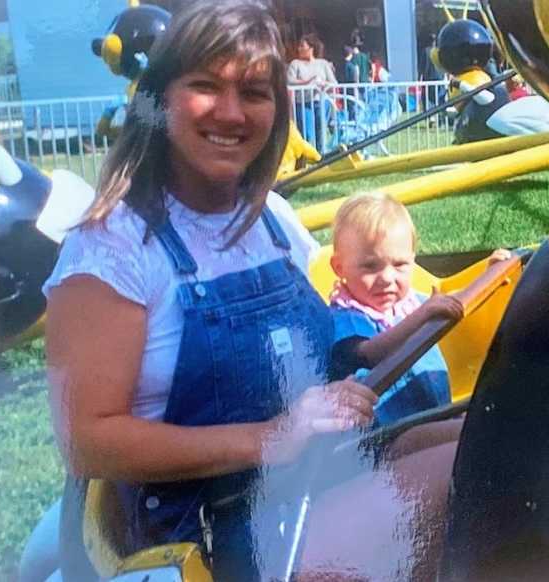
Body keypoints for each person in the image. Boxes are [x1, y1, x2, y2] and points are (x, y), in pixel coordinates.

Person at [43, 3, 376, 580]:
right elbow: (87, 441)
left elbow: (305, 370)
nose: (230, 112)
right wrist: (270, 439)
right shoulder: (111, 247)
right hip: (185, 538)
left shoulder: (272, 220)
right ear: (160, 98)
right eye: (204, 86)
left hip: (294, 496)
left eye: (254, 91)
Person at [328, 192, 510, 425]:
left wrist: (489, 276)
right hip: (390, 436)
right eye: (370, 266)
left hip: (435, 413)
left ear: (413, 260)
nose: (387, 278)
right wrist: (423, 315)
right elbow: (369, 354)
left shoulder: (409, 303)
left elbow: (453, 302)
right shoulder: (346, 316)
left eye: (400, 264)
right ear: (339, 267)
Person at [287, 33, 337, 153]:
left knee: (320, 130)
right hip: (303, 102)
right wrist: (307, 82)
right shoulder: (295, 64)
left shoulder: (323, 64)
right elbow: (290, 81)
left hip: (321, 101)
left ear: (311, 48)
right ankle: (306, 158)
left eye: (302, 46)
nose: (299, 48)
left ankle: (321, 157)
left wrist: (324, 84)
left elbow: (333, 82)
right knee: (307, 133)